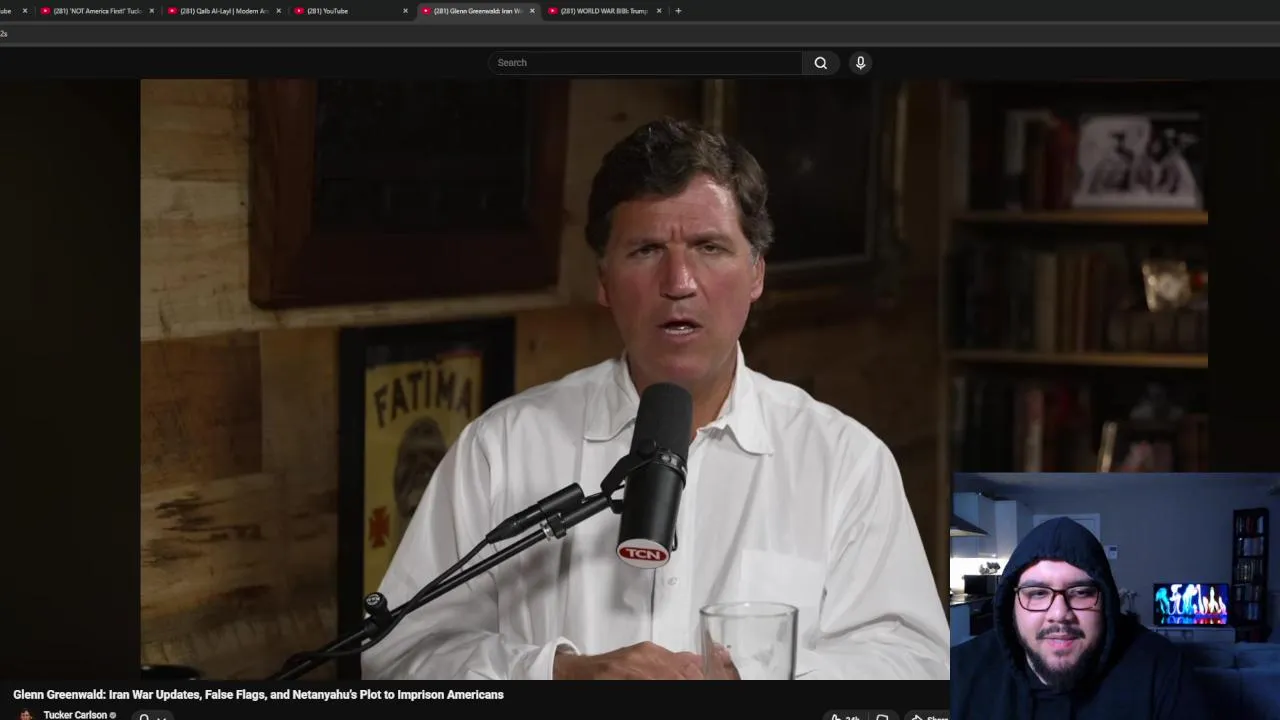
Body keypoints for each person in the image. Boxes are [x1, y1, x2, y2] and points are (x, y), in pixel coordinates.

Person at [361, 117, 949, 681]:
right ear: (603, 280)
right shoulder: (504, 448)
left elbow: (918, 665)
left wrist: (761, 680)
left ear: (756, 274)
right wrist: (559, 676)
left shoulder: (844, 462)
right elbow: (399, 657)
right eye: (645, 250)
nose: (679, 283)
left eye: (709, 247)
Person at [951, 517, 1210, 718]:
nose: (1059, 614)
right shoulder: (953, 671)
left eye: (1081, 592)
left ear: (1106, 602)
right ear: (1011, 604)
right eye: (1037, 593)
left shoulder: (1162, 669)